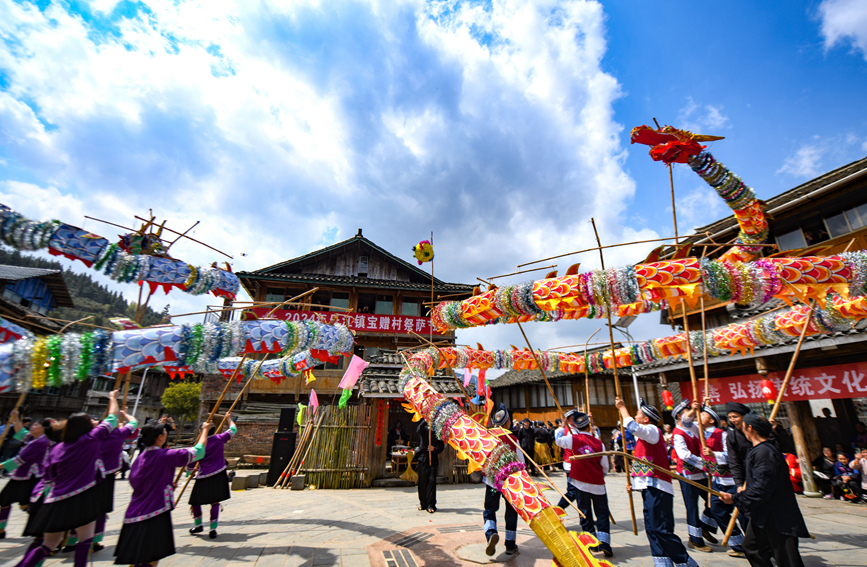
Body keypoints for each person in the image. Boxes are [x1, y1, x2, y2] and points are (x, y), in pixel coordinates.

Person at [16, 390, 121, 567]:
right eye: (91, 420)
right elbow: (112, 417)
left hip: (55, 500)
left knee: (47, 544)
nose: (94, 422)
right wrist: (112, 398)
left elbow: (49, 477)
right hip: (83, 497)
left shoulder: (57, 448)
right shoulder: (91, 439)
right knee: (85, 540)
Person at [114, 417, 212, 566]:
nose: (166, 433)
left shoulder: (139, 459)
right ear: (160, 437)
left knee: (137, 559)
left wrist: (165, 484)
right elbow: (198, 452)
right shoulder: (165, 455)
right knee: (150, 559)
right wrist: (204, 431)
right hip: (154, 513)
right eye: (164, 431)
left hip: (133, 515)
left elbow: (138, 482)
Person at [616, 397, 698, 567]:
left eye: (638, 413)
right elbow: (645, 464)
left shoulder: (652, 430)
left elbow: (633, 427)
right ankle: (662, 562)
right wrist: (635, 484)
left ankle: (685, 561)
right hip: (649, 487)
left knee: (660, 529)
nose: (636, 415)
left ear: (646, 419)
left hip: (658, 487)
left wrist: (623, 408)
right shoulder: (646, 436)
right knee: (652, 529)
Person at [721, 413, 809, 567]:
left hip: (777, 514)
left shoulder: (765, 452)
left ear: (750, 428)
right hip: (763, 513)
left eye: (743, 426)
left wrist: (735, 498)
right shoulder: (761, 450)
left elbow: (762, 487)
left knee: (786, 558)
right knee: (752, 547)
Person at [555, 411, 612, 557]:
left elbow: (558, 441)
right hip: (598, 484)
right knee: (602, 513)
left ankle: (591, 542)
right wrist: (599, 475)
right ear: (589, 426)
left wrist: (562, 426)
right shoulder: (599, 443)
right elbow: (605, 466)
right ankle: (605, 542)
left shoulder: (573, 439)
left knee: (585, 513)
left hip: (580, 483)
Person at [670, 399, 716, 552]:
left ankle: (705, 526)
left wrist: (705, 407)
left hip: (702, 473)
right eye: (689, 412)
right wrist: (703, 463)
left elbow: (705, 423)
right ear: (679, 416)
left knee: (714, 501)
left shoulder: (694, 427)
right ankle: (695, 539)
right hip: (688, 474)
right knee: (692, 507)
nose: (693, 415)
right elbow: (684, 455)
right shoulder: (678, 433)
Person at [700, 405, 744, 557]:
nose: (699, 417)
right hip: (717, 480)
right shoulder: (701, 434)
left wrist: (714, 454)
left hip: (733, 480)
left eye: (703, 415)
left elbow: (731, 456)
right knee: (716, 510)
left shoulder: (724, 435)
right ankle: (738, 543)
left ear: (712, 420)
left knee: (743, 515)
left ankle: (757, 544)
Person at [92, 410, 138, 552]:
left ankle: (71, 540)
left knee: (82, 509)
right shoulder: (118, 435)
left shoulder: (90, 436)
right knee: (100, 510)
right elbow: (134, 422)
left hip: (85, 477)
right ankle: (94, 540)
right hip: (106, 478)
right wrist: (125, 413)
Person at [0, 413, 51, 540]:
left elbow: (20, 459)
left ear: (44, 428)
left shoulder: (41, 442)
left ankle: (44, 524)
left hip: (29, 478)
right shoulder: (34, 438)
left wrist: (1, 465)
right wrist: (15, 418)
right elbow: (21, 432)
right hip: (22, 476)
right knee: (9, 502)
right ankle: (1, 529)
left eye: (36, 425)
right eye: (33, 424)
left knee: (21, 504)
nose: (33, 426)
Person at [188, 412, 237, 538]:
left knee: (195, 502)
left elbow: (191, 462)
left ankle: (198, 525)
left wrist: (189, 471)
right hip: (218, 474)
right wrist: (229, 419)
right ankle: (212, 528)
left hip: (204, 475)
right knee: (214, 502)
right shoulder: (219, 438)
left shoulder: (199, 445)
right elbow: (233, 429)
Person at [482, 404, 521, 557]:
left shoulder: (488, 438)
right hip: (510, 483)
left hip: (492, 481)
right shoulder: (513, 439)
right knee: (511, 511)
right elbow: (521, 462)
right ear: (507, 422)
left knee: (489, 509)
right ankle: (510, 544)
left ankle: (491, 532)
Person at [415, 419, 443, 514]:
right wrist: (425, 420)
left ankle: (431, 505)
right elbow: (419, 429)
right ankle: (423, 504)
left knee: (431, 482)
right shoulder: (424, 429)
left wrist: (434, 449)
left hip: (432, 460)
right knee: (422, 482)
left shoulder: (438, 431)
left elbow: (441, 447)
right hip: (423, 458)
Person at [554, 410, 579, 505]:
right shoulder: (570, 431)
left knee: (579, 491)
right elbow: (559, 441)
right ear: (568, 420)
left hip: (576, 463)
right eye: (573, 418)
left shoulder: (575, 429)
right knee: (573, 492)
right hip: (572, 463)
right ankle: (558, 509)